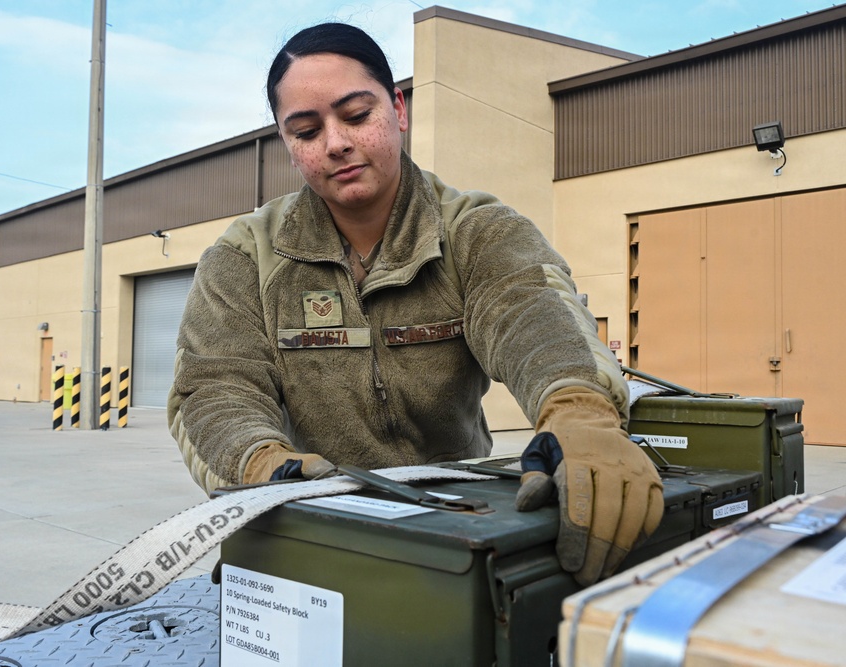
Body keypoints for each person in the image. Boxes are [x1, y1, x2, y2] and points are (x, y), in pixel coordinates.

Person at [167, 22, 663, 585]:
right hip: (312, 529)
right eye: (306, 131)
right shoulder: (245, 256)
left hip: (460, 535)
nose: (335, 143)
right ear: (289, 144)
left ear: (398, 109)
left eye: (356, 115)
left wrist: (577, 412)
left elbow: (532, 312)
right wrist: (260, 464)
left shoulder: (477, 230)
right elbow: (212, 387)